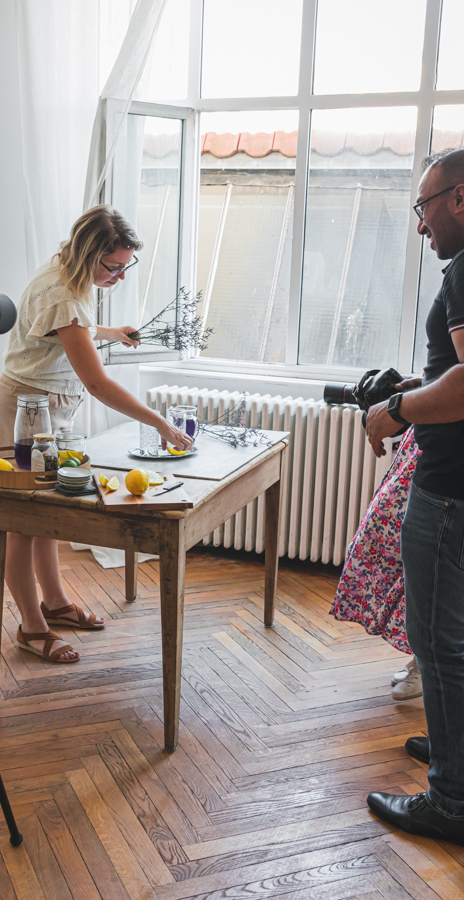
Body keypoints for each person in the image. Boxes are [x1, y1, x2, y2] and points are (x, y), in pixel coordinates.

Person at [0, 205, 192, 665]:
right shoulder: (65, 291)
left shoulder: (67, 269)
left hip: (47, 407)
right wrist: (159, 422)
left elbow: (67, 327)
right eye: (114, 267)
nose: (119, 277)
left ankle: (55, 603)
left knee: (48, 513)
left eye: (126, 267)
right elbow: (98, 384)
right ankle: (31, 627)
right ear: (89, 253)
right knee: (22, 522)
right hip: (27, 412)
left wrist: (108, 331)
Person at [365, 148, 464, 844]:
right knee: (457, 640)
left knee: (438, 643)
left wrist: (395, 415)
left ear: (459, 198)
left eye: (424, 208)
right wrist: (415, 389)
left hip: (451, 491)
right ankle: (458, 752)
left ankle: (452, 802)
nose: (421, 226)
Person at [330, 426, 423, 701]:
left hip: (439, 459)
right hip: (421, 450)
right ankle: (425, 661)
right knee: (403, 558)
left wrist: (396, 407)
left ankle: (429, 666)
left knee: (424, 568)